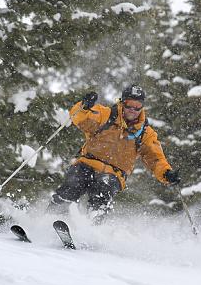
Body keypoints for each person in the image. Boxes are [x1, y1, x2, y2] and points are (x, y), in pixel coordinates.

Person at [47, 84, 180, 223]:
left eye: (137, 106)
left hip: (114, 173)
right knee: (74, 183)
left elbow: (155, 158)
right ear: (122, 102)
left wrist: (166, 173)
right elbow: (80, 118)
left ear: (142, 107)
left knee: (103, 190)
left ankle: (92, 227)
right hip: (87, 163)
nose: (133, 110)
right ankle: (52, 218)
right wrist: (85, 106)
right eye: (129, 105)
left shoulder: (145, 133)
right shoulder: (106, 115)